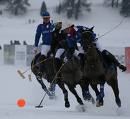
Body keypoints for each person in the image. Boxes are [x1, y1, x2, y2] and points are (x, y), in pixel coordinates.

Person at [34, 11, 55, 76]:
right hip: (45, 45)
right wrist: (36, 46)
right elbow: (37, 36)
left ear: (49, 18)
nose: (46, 19)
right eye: (44, 18)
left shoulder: (53, 25)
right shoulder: (40, 26)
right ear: (43, 19)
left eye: (47, 18)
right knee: (43, 57)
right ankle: (41, 72)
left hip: (53, 45)